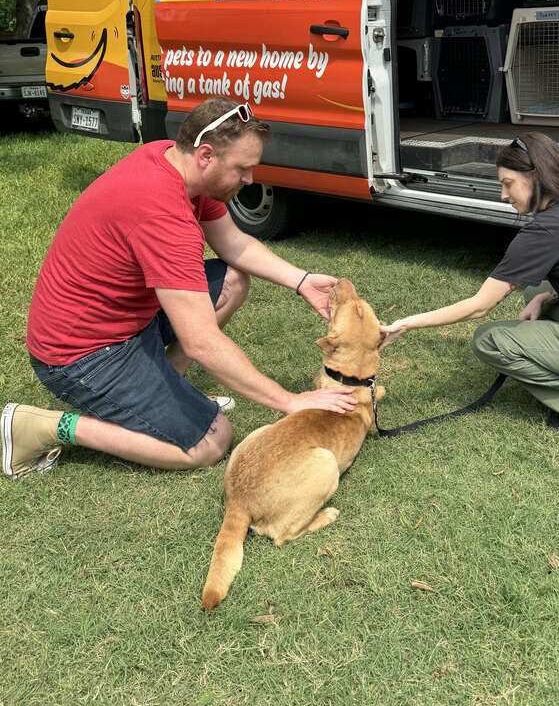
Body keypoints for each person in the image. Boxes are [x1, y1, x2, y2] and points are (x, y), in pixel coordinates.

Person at [1, 98, 358, 480]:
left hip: (125, 323)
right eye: (243, 168)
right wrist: (289, 400)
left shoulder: (169, 158)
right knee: (211, 441)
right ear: (206, 155)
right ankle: (38, 426)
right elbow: (201, 341)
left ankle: (163, 389)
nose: (250, 180)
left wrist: (300, 280)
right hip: (80, 356)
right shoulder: (164, 216)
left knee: (233, 280)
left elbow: (233, 245)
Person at [381, 132, 559, 437]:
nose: (503, 196)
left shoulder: (546, 231)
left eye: (507, 183)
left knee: (490, 341)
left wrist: (406, 323)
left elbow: (479, 306)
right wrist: (545, 299)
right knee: (536, 292)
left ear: (536, 176)